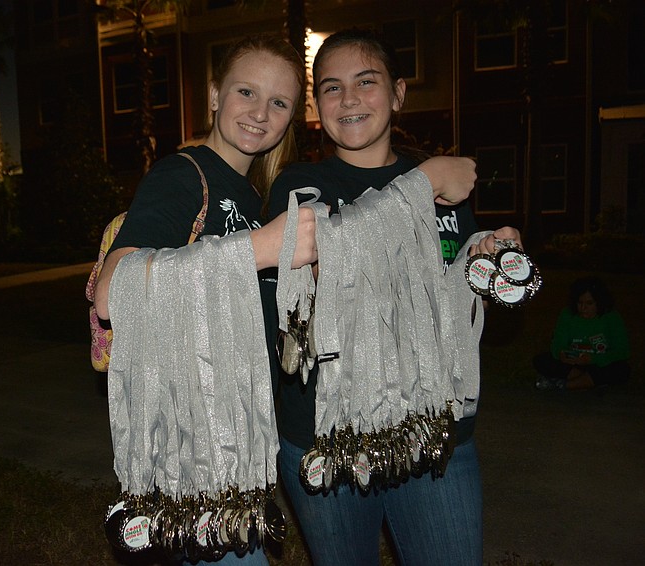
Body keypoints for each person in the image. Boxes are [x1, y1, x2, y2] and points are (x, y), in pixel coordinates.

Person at [93, 33, 475, 565]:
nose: (259, 113)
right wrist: (263, 247)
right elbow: (113, 294)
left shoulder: (251, 194)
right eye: (246, 92)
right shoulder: (183, 175)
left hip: (238, 447)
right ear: (213, 95)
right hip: (191, 452)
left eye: (278, 102)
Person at [265, 27, 522, 566]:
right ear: (317, 106)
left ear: (399, 93)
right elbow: (327, 272)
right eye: (331, 87)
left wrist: (486, 264)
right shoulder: (300, 184)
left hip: (434, 430)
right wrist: (425, 180)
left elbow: (454, 306)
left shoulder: (442, 188)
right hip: (326, 435)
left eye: (366, 81)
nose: (349, 99)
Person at [534, 276, 630, 391]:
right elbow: (558, 342)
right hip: (573, 364)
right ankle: (589, 382)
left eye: (589, 303)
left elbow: (622, 351)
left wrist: (593, 359)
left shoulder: (611, 317)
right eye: (580, 303)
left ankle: (565, 385)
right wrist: (561, 354)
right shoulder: (567, 314)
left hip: (599, 363)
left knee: (621, 369)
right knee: (542, 360)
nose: (583, 308)